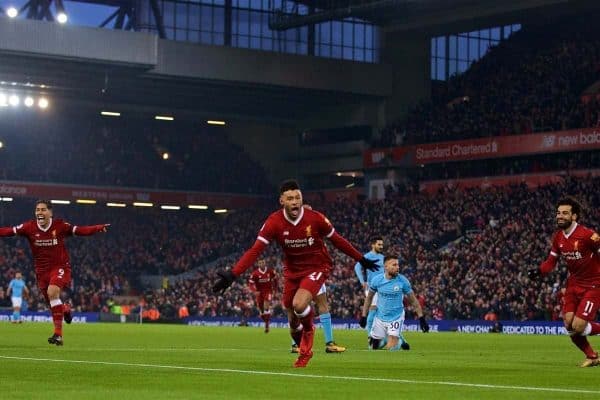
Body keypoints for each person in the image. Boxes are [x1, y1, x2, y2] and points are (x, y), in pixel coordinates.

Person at [213, 179, 379, 368]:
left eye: (298, 198)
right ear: (282, 201)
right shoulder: (274, 222)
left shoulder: (315, 218)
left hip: (317, 267)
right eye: (290, 198)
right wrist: (233, 275)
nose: (295, 202)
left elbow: (338, 240)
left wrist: (361, 259)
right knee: (292, 320)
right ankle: (302, 338)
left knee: (299, 305)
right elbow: (255, 250)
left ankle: (308, 340)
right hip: (292, 272)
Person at [0, 200, 109, 345]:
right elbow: (8, 231)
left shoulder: (60, 226)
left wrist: (97, 228)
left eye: (43, 209)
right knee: (52, 303)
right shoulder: (29, 227)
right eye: (37, 209)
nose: (40, 212)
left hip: (60, 267)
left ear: (50, 212)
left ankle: (58, 335)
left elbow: (80, 230)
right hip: (41, 272)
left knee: (53, 292)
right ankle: (65, 309)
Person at [528, 197, 600, 367]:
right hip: (573, 285)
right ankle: (592, 356)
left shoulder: (588, 235)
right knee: (568, 325)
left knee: (579, 326)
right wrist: (538, 271)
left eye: (565, 213)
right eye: (558, 213)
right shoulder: (558, 237)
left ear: (574, 216)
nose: (560, 216)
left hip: (593, 285)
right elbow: (550, 262)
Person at [360, 255, 429, 351]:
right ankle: (388, 340)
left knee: (392, 349)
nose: (398, 267)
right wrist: (364, 316)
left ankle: (397, 341)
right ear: (386, 266)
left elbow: (413, 301)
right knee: (372, 348)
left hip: (396, 317)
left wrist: (421, 318)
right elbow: (369, 298)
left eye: (398, 265)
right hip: (380, 318)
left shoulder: (403, 281)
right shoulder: (377, 280)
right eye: (394, 265)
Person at [290, 284, 347, 354]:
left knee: (299, 306)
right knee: (322, 305)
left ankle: (296, 345)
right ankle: (330, 344)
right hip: (314, 276)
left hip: (298, 277)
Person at [249, 258, 278, 333]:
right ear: (258, 264)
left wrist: (275, 289)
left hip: (268, 291)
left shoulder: (270, 271)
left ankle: (267, 325)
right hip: (259, 293)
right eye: (260, 263)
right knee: (261, 310)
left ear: (265, 263)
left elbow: (275, 280)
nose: (261, 264)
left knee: (266, 306)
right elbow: (251, 284)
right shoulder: (255, 273)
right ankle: (266, 322)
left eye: (263, 262)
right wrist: (254, 291)